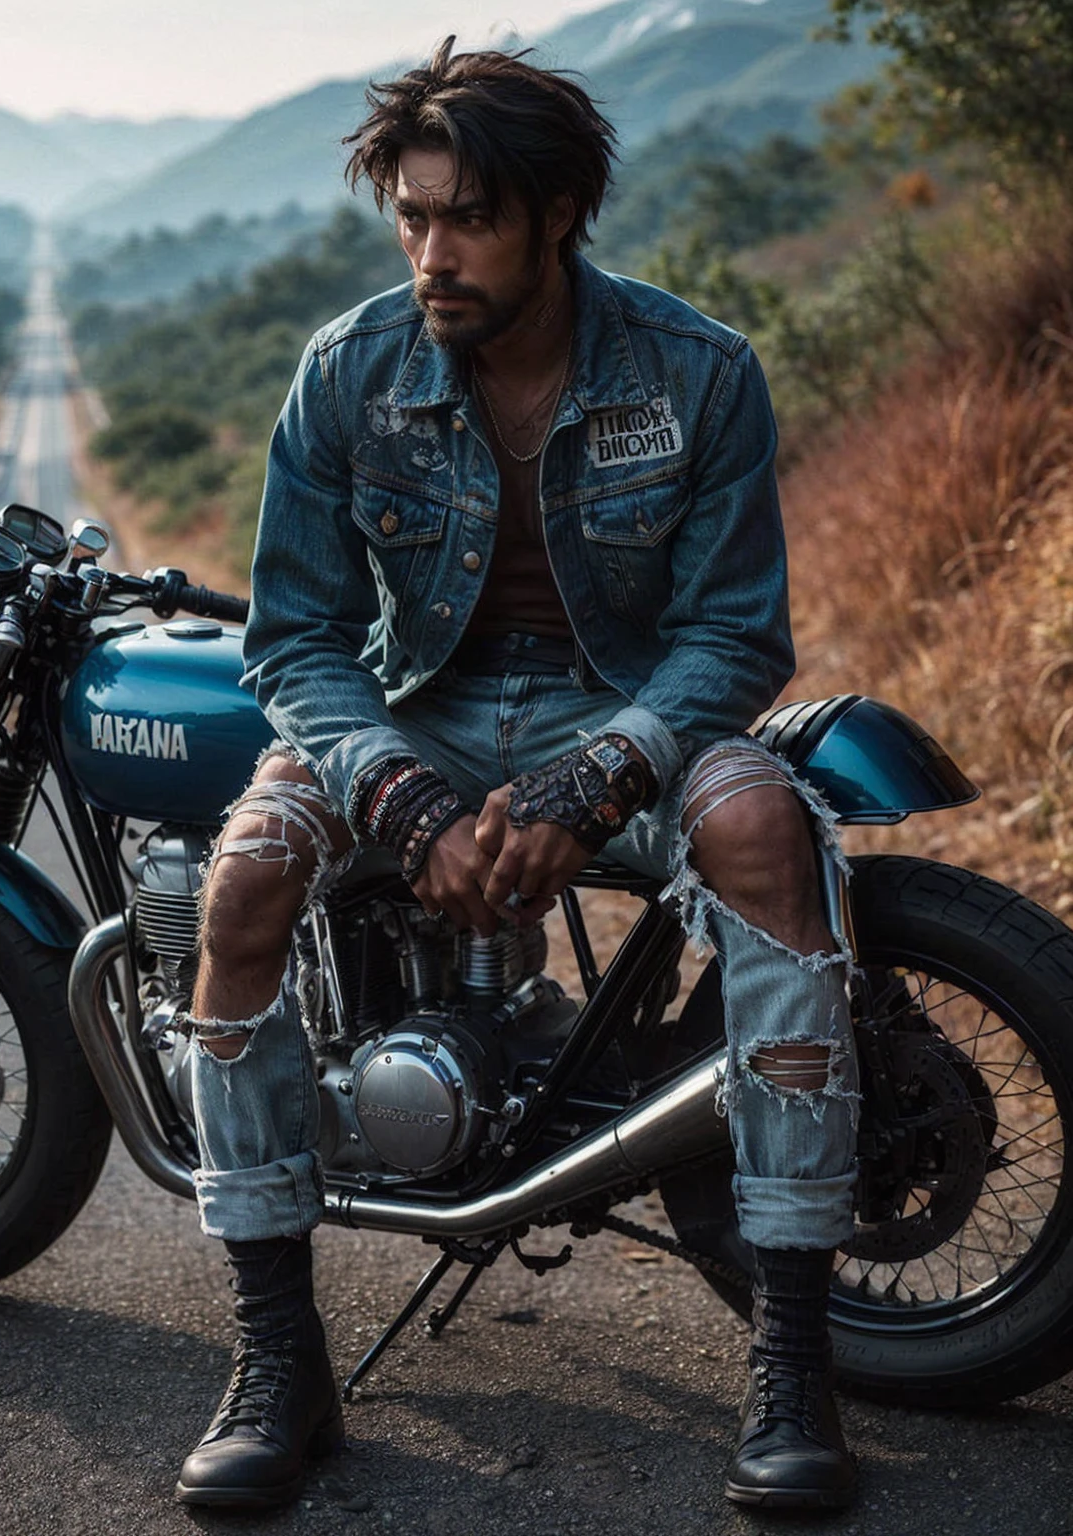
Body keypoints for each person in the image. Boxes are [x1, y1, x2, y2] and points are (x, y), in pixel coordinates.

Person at [173, 38, 860, 1514]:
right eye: (413, 219)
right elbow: (296, 636)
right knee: (239, 886)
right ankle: (277, 1355)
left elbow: (737, 636)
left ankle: (794, 1358)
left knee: (762, 833)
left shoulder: (700, 371)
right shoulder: (345, 376)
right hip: (411, 718)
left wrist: (597, 781)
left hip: (629, 710)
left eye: (467, 219)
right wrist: (395, 797)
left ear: (556, 215)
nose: (433, 253)